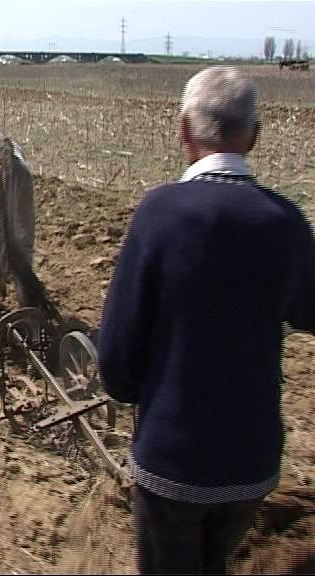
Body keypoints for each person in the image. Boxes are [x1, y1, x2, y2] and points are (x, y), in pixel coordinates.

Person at [98, 66, 315, 574]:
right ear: (254, 136)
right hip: (252, 462)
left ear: (184, 130)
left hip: (173, 460)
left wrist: (130, 391)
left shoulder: (160, 213)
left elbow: (116, 355)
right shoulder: (286, 221)